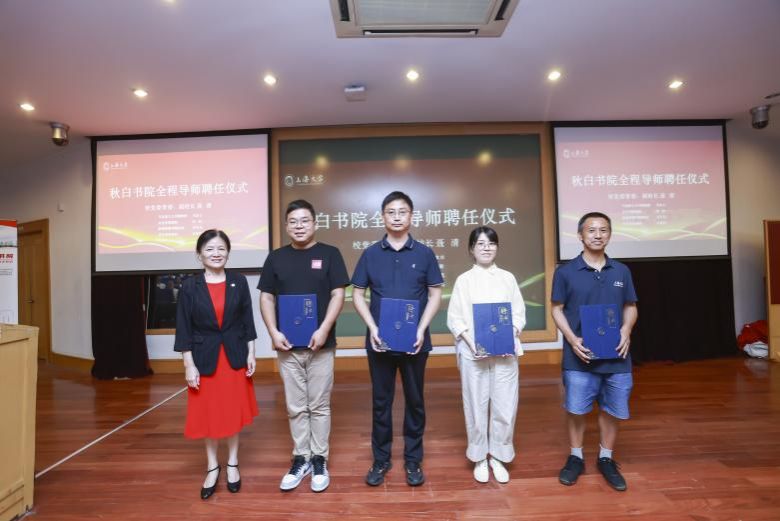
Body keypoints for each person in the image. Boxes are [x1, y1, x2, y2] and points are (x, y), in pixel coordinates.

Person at [351, 191, 444, 487]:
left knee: (415, 401)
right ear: (382, 217)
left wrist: (421, 328)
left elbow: (435, 294)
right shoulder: (370, 254)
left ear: (411, 216)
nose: (396, 217)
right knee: (381, 402)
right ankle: (381, 459)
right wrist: (372, 327)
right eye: (390, 212)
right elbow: (357, 294)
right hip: (379, 341)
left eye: (402, 211)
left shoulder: (424, 253)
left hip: (415, 341)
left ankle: (413, 460)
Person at [258, 199, 349, 493]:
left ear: (315, 224)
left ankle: (320, 459)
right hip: (287, 346)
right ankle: (301, 458)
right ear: (287, 226)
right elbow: (266, 297)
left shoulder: (330, 254)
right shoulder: (276, 258)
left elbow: (338, 294)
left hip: (321, 345)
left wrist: (324, 329)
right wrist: (273, 332)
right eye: (293, 221)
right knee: (296, 406)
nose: (299, 226)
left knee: (319, 405)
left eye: (304, 220)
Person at [551, 212, 638, 491]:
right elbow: (557, 309)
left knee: (613, 409)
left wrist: (626, 330)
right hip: (580, 355)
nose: (598, 235)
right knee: (576, 409)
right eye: (591, 230)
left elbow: (630, 306)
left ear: (609, 234)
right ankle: (575, 457)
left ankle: (606, 458)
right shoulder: (565, 272)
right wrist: (571, 339)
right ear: (580, 235)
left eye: (603, 230)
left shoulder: (621, 271)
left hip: (617, 355)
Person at [174, 229, 258, 500]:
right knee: (208, 414)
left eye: (221, 248)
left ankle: (232, 463)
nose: (216, 253)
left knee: (231, 412)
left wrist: (251, 353)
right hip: (204, 359)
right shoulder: (190, 286)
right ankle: (212, 466)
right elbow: (183, 328)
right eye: (210, 249)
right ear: (199, 254)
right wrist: (188, 364)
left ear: (228, 253)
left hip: (234, 356)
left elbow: (247, 321)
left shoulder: (238, 281)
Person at [446, 226, 526, 484]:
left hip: (505, 352)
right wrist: (473, 344)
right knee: (476, 405)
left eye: (491, 243)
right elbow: (455, 319)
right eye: (480, 243)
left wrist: (508, 335)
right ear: (471, 249)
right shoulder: (464, 281)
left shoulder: (508, 278)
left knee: (505, 405)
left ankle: (499, 456)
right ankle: (480, 456)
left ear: (497, 248)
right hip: (473, 354)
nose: (486, 248)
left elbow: (518, 314)